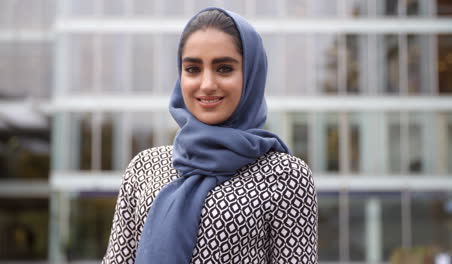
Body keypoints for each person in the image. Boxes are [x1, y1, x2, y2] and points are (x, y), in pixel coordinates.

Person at [102, 7, 317, 264]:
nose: (206, 84)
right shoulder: (145, 167)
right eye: (193, 69)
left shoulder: (286, 176)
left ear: (251, 75)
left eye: (224, 68)